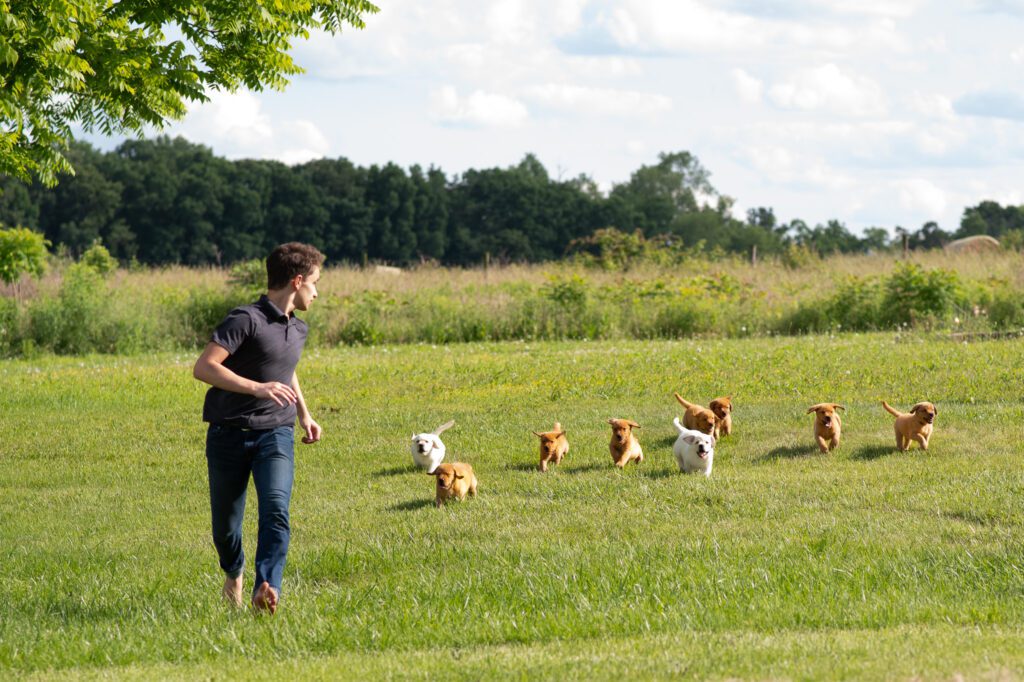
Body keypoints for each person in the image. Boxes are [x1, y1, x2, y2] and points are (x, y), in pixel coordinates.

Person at [193, 242, 324, 614]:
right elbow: (204, 367)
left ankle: (265, 586)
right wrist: (257, 388)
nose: (317, 292)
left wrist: (304, 414)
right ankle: (233, 572)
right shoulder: (245, 319)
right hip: (228, 434)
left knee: (276, 510)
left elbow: (283, 368)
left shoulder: (298, 329)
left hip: (276, 434)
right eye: (314, 283)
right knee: (226, 528)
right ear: (297, 281)